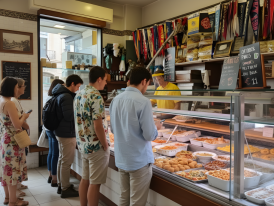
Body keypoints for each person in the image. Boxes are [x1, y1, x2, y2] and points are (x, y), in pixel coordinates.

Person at [110, 67, 161, 206]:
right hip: (139, 161)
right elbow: (149, 135)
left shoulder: (115, 100)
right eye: (148, 83)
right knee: (137, 202)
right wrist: (157, 127)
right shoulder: (143, 101)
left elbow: (113, 129)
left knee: (124, 197)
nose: (147, 87)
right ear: (144, 81)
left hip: (121, 158)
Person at [74, 66, 110, 206]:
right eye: (105, 80)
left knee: (85, 179)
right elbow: (98, 126)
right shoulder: (96, 96)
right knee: (95, 184)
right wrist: (105, 145)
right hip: (96, 147)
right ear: (99, 79)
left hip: (83, 144)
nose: (106, 83)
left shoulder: (79, 94)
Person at [0, 77, 30, 206]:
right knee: (13, 172)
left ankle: (7, 198)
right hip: (13, 141)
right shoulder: (10, 103)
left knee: (6, 170)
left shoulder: (1, 100)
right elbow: (18, 125)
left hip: (5, 138)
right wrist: (25, 116)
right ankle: (13, 201)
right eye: (17, 87)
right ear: (11, 87)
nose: (18, 89)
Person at [52, 74, 83, 198]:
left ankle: (61, 184)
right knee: (66, 161)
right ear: (72, 84)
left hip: (60, 132)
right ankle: (65, 188)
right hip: (67, 133)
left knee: (62, 159)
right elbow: (69, 116)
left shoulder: (60, 94)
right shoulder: (67, 97)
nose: (78, 89)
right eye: (78, 86)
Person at [10, 78, 29, 198]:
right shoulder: (12, 101)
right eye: (22, 86)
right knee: (16, 164)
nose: (24, 88)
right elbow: (17, 122)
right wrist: (25, 117)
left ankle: (17, 186)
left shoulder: (13, 100)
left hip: (14, 136)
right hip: (15, 137)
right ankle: (14, 191)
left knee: (19, 162)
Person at [44, 79, 64, 187]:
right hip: (54, 128)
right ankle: (55, 180)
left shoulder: (48, 97)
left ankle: (50, 175)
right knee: (55, 153)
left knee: (51, 152)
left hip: (47, 128)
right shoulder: (57, 98)